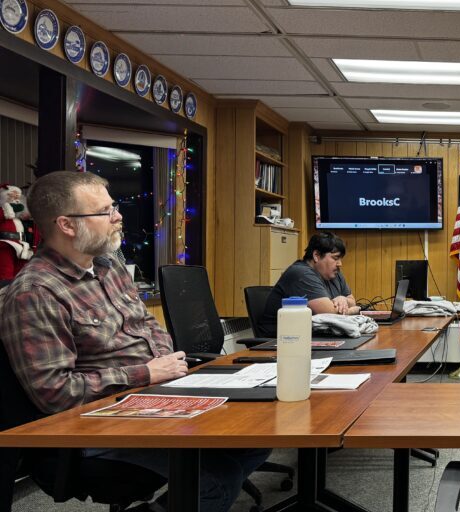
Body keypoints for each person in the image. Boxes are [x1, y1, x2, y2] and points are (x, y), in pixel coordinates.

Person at [0, 171, 269, 512]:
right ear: (66, 225)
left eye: (114, 206)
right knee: (214, 479)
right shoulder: (36, 292)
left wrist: (172, 374)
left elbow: (149, 328)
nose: (118, 216)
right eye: (105, 211)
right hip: (98, 427)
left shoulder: (108, 266)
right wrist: (146, 373)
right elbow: (54, 393)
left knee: (255, 437)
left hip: (154, 399)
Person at [258, 232, 359, 336]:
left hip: (310, 335)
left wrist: (343, 298)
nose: (340, 264)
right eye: (335, 258)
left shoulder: (334, 273)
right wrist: (353, 310)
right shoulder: (301, 274)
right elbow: (330, 315)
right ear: (316, 256)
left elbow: (352, 301)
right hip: (281, 341)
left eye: (341, 259)